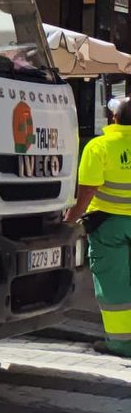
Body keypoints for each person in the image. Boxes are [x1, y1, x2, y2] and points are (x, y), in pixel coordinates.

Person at [69, 96, 131, 357]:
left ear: (114, 118)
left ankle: (120, 343)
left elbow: (86, 194)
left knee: (114, 284)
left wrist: (69, 221)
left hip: (109, 226)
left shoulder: (99, 146)